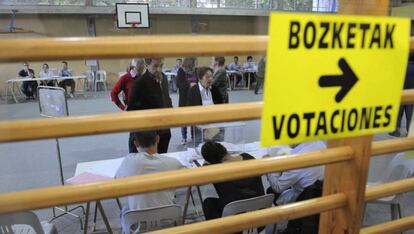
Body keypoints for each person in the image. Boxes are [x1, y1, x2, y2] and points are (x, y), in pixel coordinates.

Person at [115, 131, 184, 212]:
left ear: (136, 143)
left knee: (125, 210)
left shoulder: (128, 162)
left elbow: (117, 181)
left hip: (137, 221)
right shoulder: (173, 163)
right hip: (168, 218)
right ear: (157, 139)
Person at [200, 141, 265, 220]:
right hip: (259, 219)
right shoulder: (248, 157)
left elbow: (200, 176)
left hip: (234, 223)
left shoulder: (216, 171)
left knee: (208, 203)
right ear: (225, 149)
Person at [127, 58, 173, 154]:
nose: (159, 69)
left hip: (164, 130)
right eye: (155, 66)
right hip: (147, 135)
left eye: (161, 66)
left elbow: (167, 98)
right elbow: (131, 111)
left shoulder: (164, 78)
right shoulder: (139, 83)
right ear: (147, 65)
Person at [265, 141, 325, 206]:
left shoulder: (296, 159)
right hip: (321, 193)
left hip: (303, 199)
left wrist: (269, 165)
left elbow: (277, 187)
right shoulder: (319, 143)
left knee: (271, 190)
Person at [389, 52, 414, 137]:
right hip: (411, 95)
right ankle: (409, 132)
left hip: (401, 94)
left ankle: (396, 130)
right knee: (410, 116)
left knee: (398, 114)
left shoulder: (402, 67)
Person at [177, 57, 198, 145]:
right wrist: (189, 84)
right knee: (184, 119)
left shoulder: (196, 70)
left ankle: (194, 137)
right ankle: (184, 137)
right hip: (184, 98)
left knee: (194, 119)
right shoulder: (181, 71)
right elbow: (179, 85)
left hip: (194, 98)